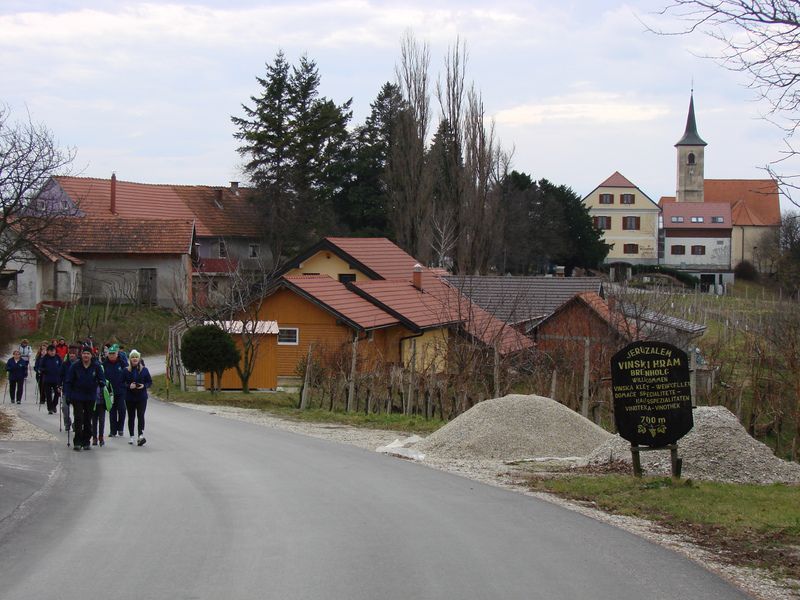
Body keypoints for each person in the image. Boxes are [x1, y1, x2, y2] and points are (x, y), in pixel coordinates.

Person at [64, 346, 106, 451]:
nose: (86, 355)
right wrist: (68, 395)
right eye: (84, 353)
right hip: (77, 395)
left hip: (90, 396)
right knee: (78, 418)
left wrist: (101, 383)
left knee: (88, 419)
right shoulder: (75, 366)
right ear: (81, 355)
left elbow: (102, 379)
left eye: (88, 354)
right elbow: (68, 381)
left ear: (91, 355)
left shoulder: (96, 366)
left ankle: (86, 440)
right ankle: (77, 441)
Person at [123, 350, 152, 446]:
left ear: (139, 359)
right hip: (130, 397)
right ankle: (131, 436)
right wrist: (128, 386)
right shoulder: (126, 370)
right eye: (132, 357)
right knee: (131, 417)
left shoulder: (144, 370)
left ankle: (140, 435)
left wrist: (144, 386)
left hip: (141, 397)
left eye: (136, 357)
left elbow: (149, 382)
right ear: (130, 359)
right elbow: (121, 383)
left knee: (141, 415)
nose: (134, 359)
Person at [103, 344, 127, 437]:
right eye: (110, 354)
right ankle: (113, 431)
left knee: (122, 409)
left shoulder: (122, 363)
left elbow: (127, 373)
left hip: (121, 390)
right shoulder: (105, 364)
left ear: (117, 354)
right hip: (110, 392)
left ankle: (120, 427)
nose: (112, 355)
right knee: (112, 411)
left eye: (114, 353)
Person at [59, 345, 79, 433]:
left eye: (73, 354)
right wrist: (59, 385)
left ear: (76, 355)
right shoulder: (65, 364)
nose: (72, 355)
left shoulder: (79, 364)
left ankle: (76, 423)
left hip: (77, 390)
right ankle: (67, 423)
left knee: (77, 409)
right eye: (70, 354)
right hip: (66, 389)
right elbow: (60, 375)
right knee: (64, 407)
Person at [38, 344, 62, 414]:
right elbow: (40, 367)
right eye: (51, 351)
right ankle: (50, 408)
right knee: (48, 395)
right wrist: (44, 370)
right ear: (48, 351)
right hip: (47, 379)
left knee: (57, 394)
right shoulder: (45, 358)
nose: (52, 352)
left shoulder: (58, 357)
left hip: (56, 379)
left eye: (53, 351)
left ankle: (54, 405)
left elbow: (61, 366)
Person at [33, 342, 50, 407]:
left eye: (45, 350)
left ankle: (45, 396)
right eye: (42, 350)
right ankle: (42, 398)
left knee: (46, 385)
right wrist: (37, 370)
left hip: (46, 374)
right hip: (39, 374)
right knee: (40, 385)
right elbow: (36, 366)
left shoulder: (49, 358)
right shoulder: (39, 357)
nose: (43, 351)